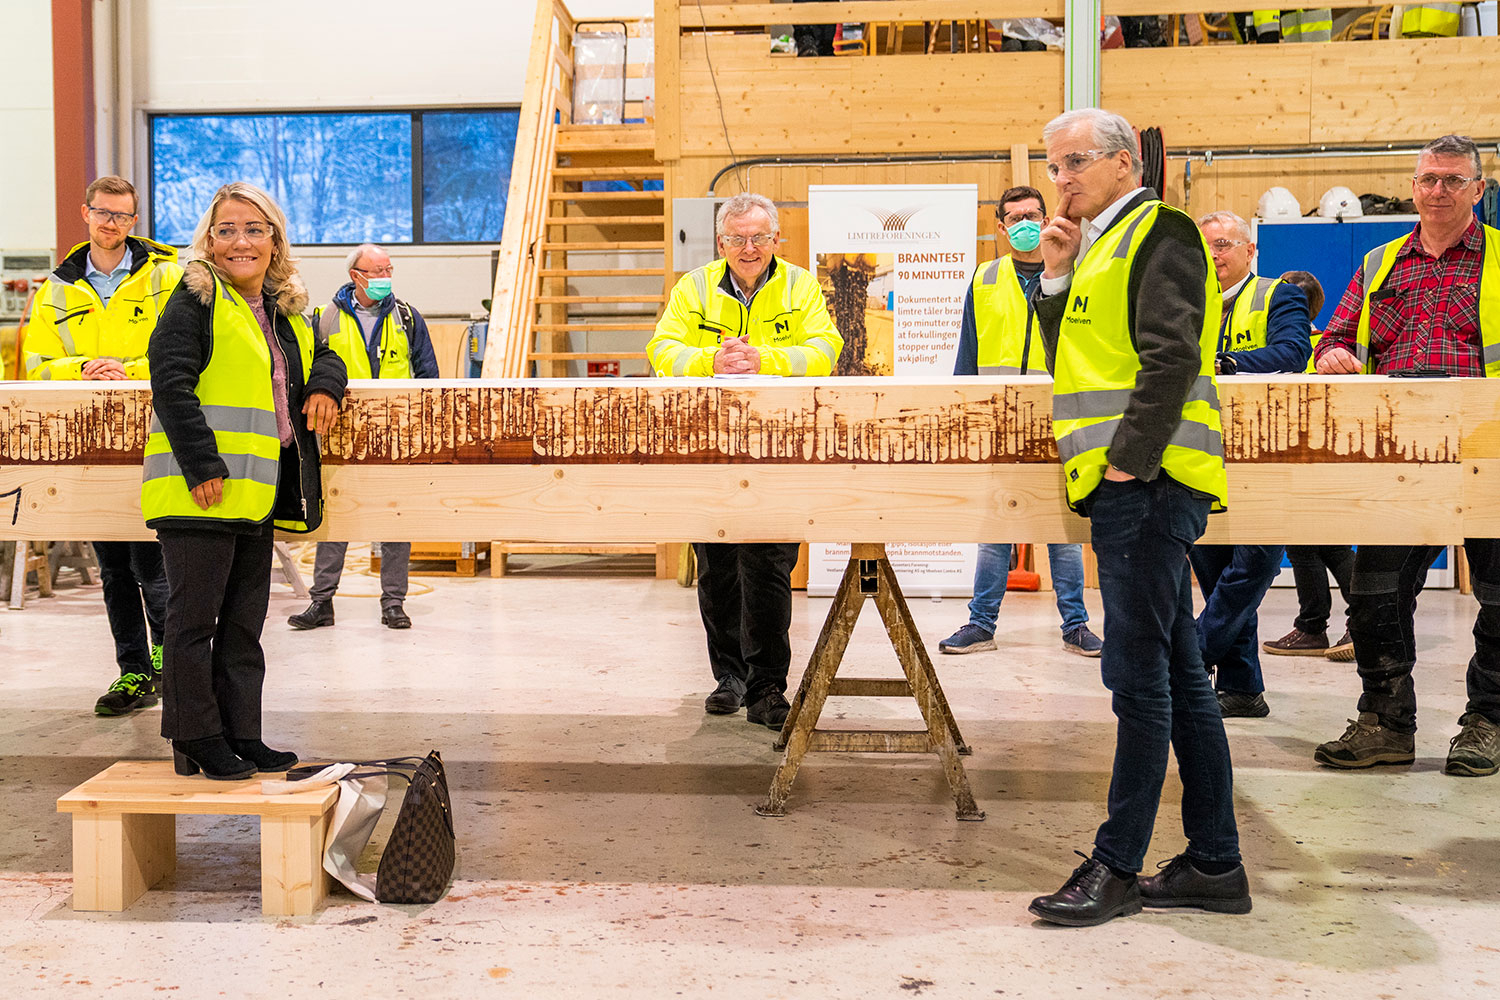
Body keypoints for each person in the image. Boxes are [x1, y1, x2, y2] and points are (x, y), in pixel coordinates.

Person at [1025, 108, 1249, 926]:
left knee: (1139, 683)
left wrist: (1130, 462)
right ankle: (1216, 866)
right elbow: (1075, 359)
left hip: (1147, 487)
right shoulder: (1096, 246)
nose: (1063, 178)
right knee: (1183, 678)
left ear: (1124, 162)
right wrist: (1053, 275)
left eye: (1075, 161)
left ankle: (1115, 867)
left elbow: (1172, 353)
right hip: (1128, 487)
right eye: (1054, 167)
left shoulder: (1163, 231)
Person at [143, 181, 346, 780]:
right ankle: (197, 737)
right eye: (226, 230)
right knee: (192, 623)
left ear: (274, 240)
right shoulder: (195, 298)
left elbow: (323, 353)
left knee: (241, 626)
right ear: (208, 239)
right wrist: (202, 465)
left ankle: (241, 734)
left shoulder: (283, 310)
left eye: (254, 229)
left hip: (255, 494)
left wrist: (326, 384)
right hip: (199, 488)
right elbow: (170, 382)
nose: (240, 241)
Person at [1312, 134, 1500, 777]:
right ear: (1414, 187)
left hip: (1488, 453)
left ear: (1479, 188)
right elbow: (1334, 339)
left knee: (1499, 596)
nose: (1438, 191)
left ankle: (1487, 723)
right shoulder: (1379, 264)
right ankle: (1385, 722)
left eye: (1452, 180)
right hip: (1400, 457)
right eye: (1428, 179)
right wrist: (1331, 354)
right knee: (1374, 593)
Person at [646, 192, 843, 730]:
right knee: (717, 571)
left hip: (780, 453)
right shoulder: (695, 287)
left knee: (768, 568)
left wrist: (764, 360)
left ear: (776, 239)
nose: (748, 248)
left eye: (758, 237)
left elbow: (826, 348)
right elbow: (661, 350)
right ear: (721, 242)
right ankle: (728, 678)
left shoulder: (801, 285)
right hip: (710, 454)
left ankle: (767, 689)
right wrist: (710, 359)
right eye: (736, 239)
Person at [25, 175, 183, 716]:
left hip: (156, 439)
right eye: (102, 213)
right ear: (85, 214)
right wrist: (84, 368)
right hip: (91, 447)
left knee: (154, 564)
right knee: (114, 567)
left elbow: (188, 348)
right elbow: (36, 366)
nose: (111, 223)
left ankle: (170, 664)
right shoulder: (57, 289)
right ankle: (133, 673)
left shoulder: (170, 275)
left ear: (135, 221)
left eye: (122, 215)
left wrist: (129, 370)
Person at [939, 185, 1101, 659]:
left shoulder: (1077, 272)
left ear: (1047, 218)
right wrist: (962, 414)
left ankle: (1076, 625)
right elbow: (967, 353)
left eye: (1033, 214)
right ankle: (980, 623)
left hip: (1063, 415)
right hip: (999, 420)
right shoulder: (985, 277)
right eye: (1015, 217)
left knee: (1063, 528)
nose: (1025, 223)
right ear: (1001, 228)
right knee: (995, 527)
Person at [1188, 210, 1312, 719]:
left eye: (1223, 244)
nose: (1213, 255)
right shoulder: (1183, 301)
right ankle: (1241, 688)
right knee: (1216, 575)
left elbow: (1294, 350)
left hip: (1266, 455)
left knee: (1253, 564)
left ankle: (1191, 660)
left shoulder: (1276, 294)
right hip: (1199, 452)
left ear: (1249, 250)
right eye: (1206, 246)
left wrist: (1229, 363)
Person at [288, 244, 438, 631]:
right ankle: (321, 602)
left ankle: (393, 603)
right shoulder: (324, 318)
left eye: (389, 269)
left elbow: (428, 376)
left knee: (395, 518)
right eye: (377, 271)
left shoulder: (407, 317)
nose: (385, 277)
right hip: (339, 432)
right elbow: (309, 373)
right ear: (356, 275)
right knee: (335, 516)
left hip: (396, 432)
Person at [1261, 270, 1358, 661]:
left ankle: (1331, 625)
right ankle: (1318, 625)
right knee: (1316, 543)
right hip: (1319, 456)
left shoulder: (1299, 348)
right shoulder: (1321, 344)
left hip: (1301, 456)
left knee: (1319, 544)